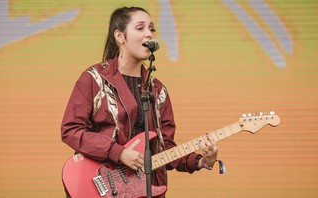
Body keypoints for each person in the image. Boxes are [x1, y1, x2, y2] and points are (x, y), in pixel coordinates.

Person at [61, 6, 218, 197]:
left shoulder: (158, 90)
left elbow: (165, 149)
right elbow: (71, 131)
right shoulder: (94, 79)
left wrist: (202, 161)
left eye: (152, 29)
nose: (149, 35)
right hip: (101, 186)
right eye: (140, 28)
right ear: (120, 36)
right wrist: (117, 152)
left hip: (144, 189)